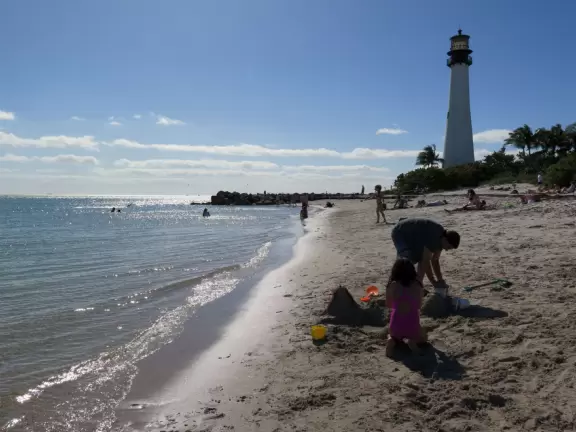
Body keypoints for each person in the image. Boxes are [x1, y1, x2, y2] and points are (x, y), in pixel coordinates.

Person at [390, 218, 460, 297]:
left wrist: (440, 280)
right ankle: (394, 288)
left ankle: (417, 286)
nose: (447, 250)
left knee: (420, 258)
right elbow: (426, 262)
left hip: (414, 237)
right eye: (448, 247)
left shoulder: (440, 240)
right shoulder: (434, 239)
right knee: (405, 263)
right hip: (400, 232)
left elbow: (435, 261)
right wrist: (434, 282)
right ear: (445, 239)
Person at [385, 258, 427, 357]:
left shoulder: (392, 285)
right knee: (424, 337)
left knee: (392, 334)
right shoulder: (417, 286)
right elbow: (419, 306)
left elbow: (389, 305)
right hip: (412, 324)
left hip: (395, 324)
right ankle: (411, 341)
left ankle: (392, 340)